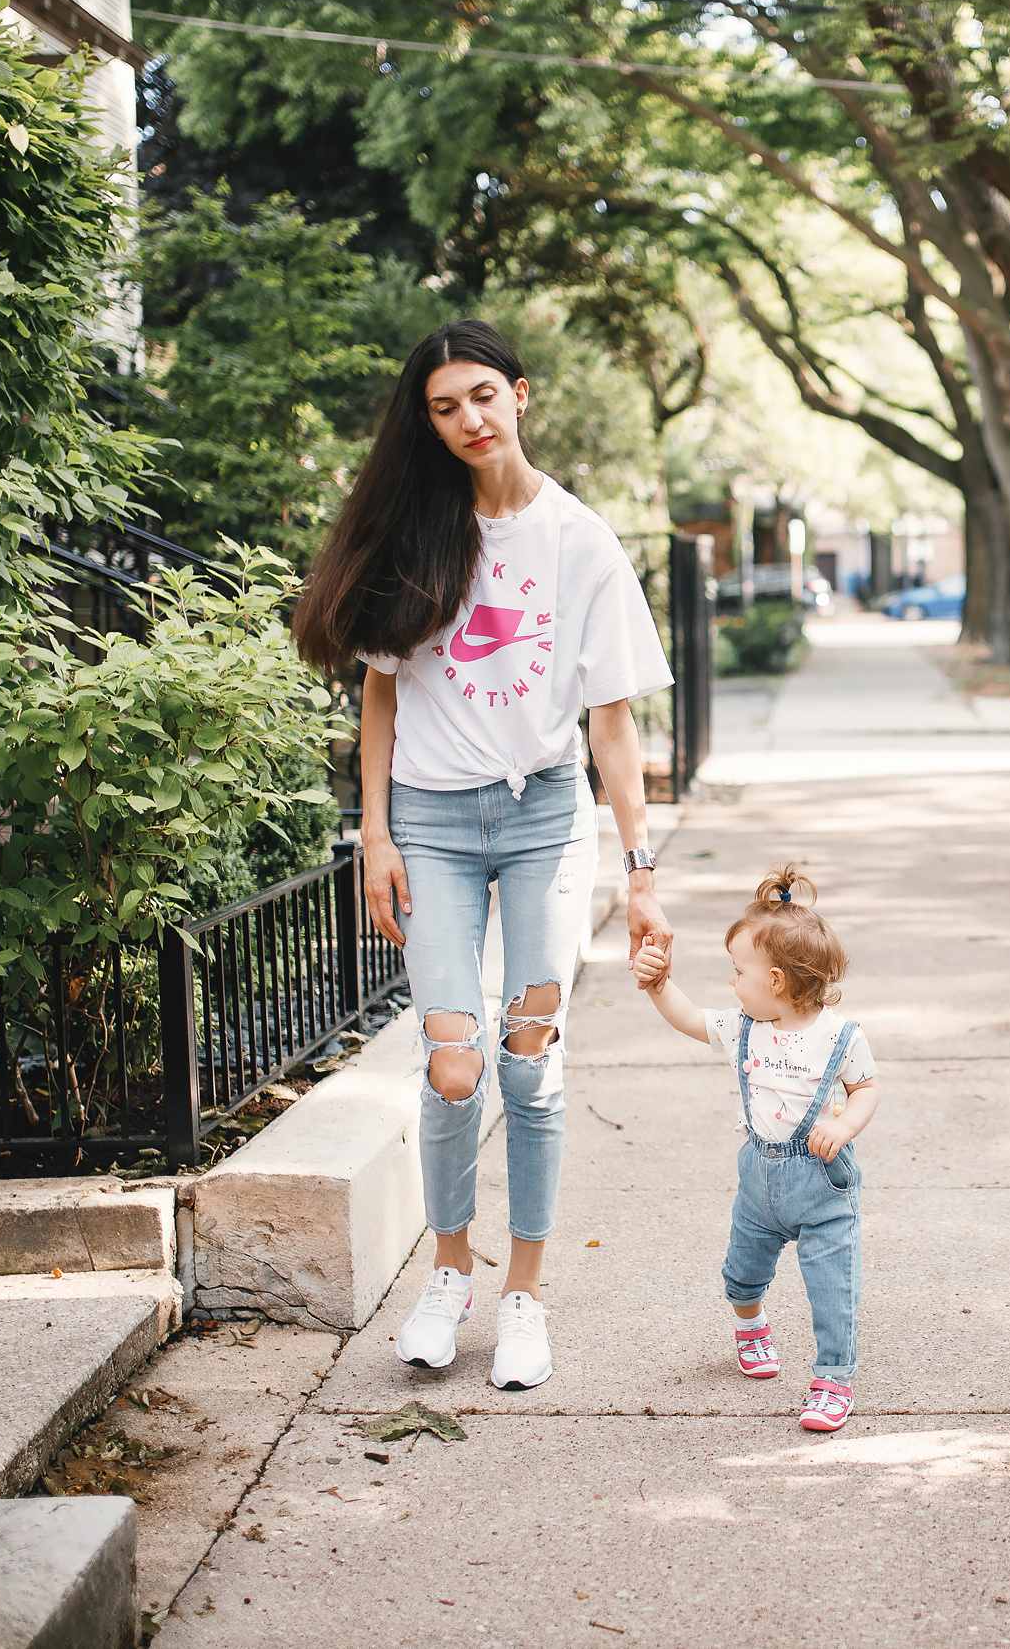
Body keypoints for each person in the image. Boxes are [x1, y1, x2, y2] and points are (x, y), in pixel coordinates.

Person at [292, 318, 673, 1391]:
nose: (466, 420)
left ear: (519, 395)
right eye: (443, 406)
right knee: (454, 1066)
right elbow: (378, 691)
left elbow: (613, 725)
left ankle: (525, 1299)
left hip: (547, 818)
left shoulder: (579, 542)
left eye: (481, 397)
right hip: (433, 824)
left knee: (532, 1067)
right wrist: (374, 834)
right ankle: (450, 1275)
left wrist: (639, 871)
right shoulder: (417, 531)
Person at [630, 866, 879, 1433]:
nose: (730, 983)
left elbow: (865, 1089)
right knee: (741, 1276)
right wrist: (658, 984)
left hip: (822, 1184)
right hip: (759, 1185)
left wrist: (845, 1128)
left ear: (775, 981)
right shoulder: (743, 1027)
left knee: (832, 1288)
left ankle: (832, 1380)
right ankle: (751, 1325)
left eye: (737, 971)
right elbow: (690, 1019)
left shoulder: (839, 1036)